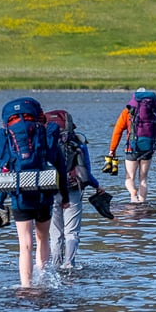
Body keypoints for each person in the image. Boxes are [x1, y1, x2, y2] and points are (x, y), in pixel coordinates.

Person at [0, 97, 69, 288]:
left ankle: (26, 286)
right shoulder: (45, 133)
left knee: (25, 245)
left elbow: (5, 169)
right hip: (44, 194)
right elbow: (60, 166)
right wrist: (65, 197)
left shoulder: (7, 138)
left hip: (20, 195)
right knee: (43, 238)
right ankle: (43, 280)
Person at [45, 109, 114, 270]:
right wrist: (97, 186)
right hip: (72, 190)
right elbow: (85, 172)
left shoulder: (43, 144)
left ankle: (54, 267)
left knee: (55, 234)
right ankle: (69, 264)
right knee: (72, 232)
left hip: (50, 191)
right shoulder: (78, 144)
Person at [107, 88, 156, 203]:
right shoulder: (154, 115)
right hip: (148, 149)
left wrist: (112, 150)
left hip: (131, 149)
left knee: (129, 178)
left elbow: (117, 132)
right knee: (143, 179)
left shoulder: (127, 113)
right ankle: (142, 202)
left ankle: (133, 195)